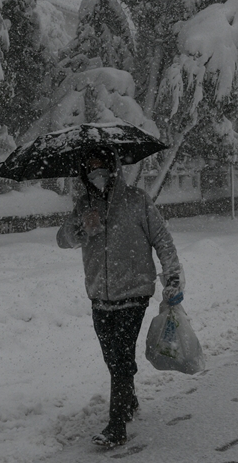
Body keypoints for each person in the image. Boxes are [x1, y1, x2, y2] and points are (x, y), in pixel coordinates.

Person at [57, 145, 184, 448]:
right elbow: (62, 240)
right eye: (89, 166)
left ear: (113, 166)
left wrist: (173, 276)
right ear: (83, 174)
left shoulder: (137, 200)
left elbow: (162, 240)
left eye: (100, 164)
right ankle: (128, 397)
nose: (95, 170)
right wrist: (80, 228)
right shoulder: (84, 206)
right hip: (99, 295)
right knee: (112, 357)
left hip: (134, 291)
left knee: (120, 357)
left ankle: (117, 426)